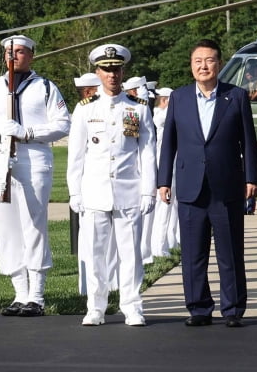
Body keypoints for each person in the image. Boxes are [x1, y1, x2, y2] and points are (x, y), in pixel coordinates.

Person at [156, 39, 257, 327]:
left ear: (219, 63)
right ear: (191, 66)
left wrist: (251, 176)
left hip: (226, 186)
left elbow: (249, 142)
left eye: (210, 60)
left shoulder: (236, 96)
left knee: (230, 253)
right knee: (193, 254)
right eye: (197, 61)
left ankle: (233, 309)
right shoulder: (179, 98)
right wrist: (163, 180)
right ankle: (199, 308)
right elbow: (169, 143)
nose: (203, 66)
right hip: (191, 187)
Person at [0, 34, 71, 317]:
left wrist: (28, 134)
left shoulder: (45, 88)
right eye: (8, 52)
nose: (13, 57)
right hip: (0, 164)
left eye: (20, 52)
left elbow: (64, 124)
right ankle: (20, 293)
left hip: (34, 161)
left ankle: (36, 295)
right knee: (7, 229)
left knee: (33, 226)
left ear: (31, 55)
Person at [67, 44, 156, 327]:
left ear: (123, 71)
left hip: (128, 190)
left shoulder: (138, 109)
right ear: (97, 72)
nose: (112, 75)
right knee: (94, 253)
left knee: (130, 254)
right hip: (95, 192)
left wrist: (147, 190)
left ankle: (131, 305)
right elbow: (76, 153)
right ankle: (96, 306)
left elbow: (148, 151)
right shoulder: (85, 109)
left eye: (116, 69)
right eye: (106, 70)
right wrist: (75, 191)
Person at [148, 87, 179, 260]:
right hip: (164, 162)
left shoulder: (159, 114)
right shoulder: (160, 115)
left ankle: (167, 242)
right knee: (164, 206)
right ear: (166, 101)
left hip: (169, 161)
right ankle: (159, 246)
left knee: (171, 206)